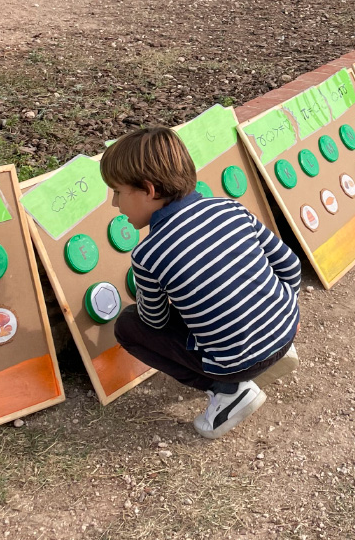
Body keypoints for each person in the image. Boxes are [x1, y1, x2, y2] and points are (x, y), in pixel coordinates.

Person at [100, 127, 301, 439]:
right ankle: (271, 345)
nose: (115, 204)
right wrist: (281, 312)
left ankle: (228, 391)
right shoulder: (231, 207)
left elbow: (154, 321)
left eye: (117, 192)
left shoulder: (147, 254)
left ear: (149, 190)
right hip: (286, 331)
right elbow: (290, 264)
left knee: (128, 325)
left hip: (238, 364)